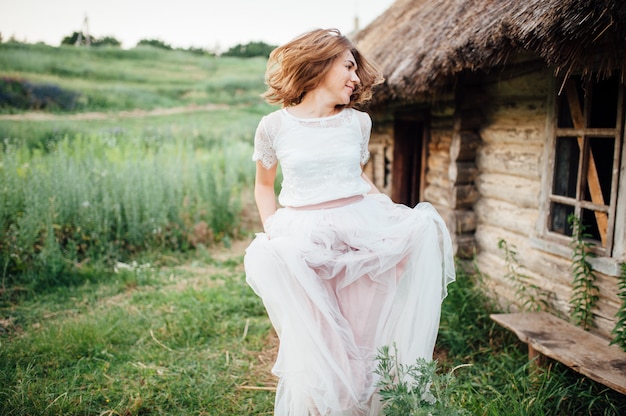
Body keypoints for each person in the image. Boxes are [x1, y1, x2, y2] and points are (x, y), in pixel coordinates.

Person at [244, 28, 455, 416]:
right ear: (320, 65)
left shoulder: (358, 123)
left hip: (358, 227)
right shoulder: (273, 127)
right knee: (319, 338)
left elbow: (356, 178)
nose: (355, 78)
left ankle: (361, 407)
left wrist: (393, 215)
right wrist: (274, 231)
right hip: (302, 235)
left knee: (363, 335)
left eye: (355, 69)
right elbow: (263, 186)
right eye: (348, 66)